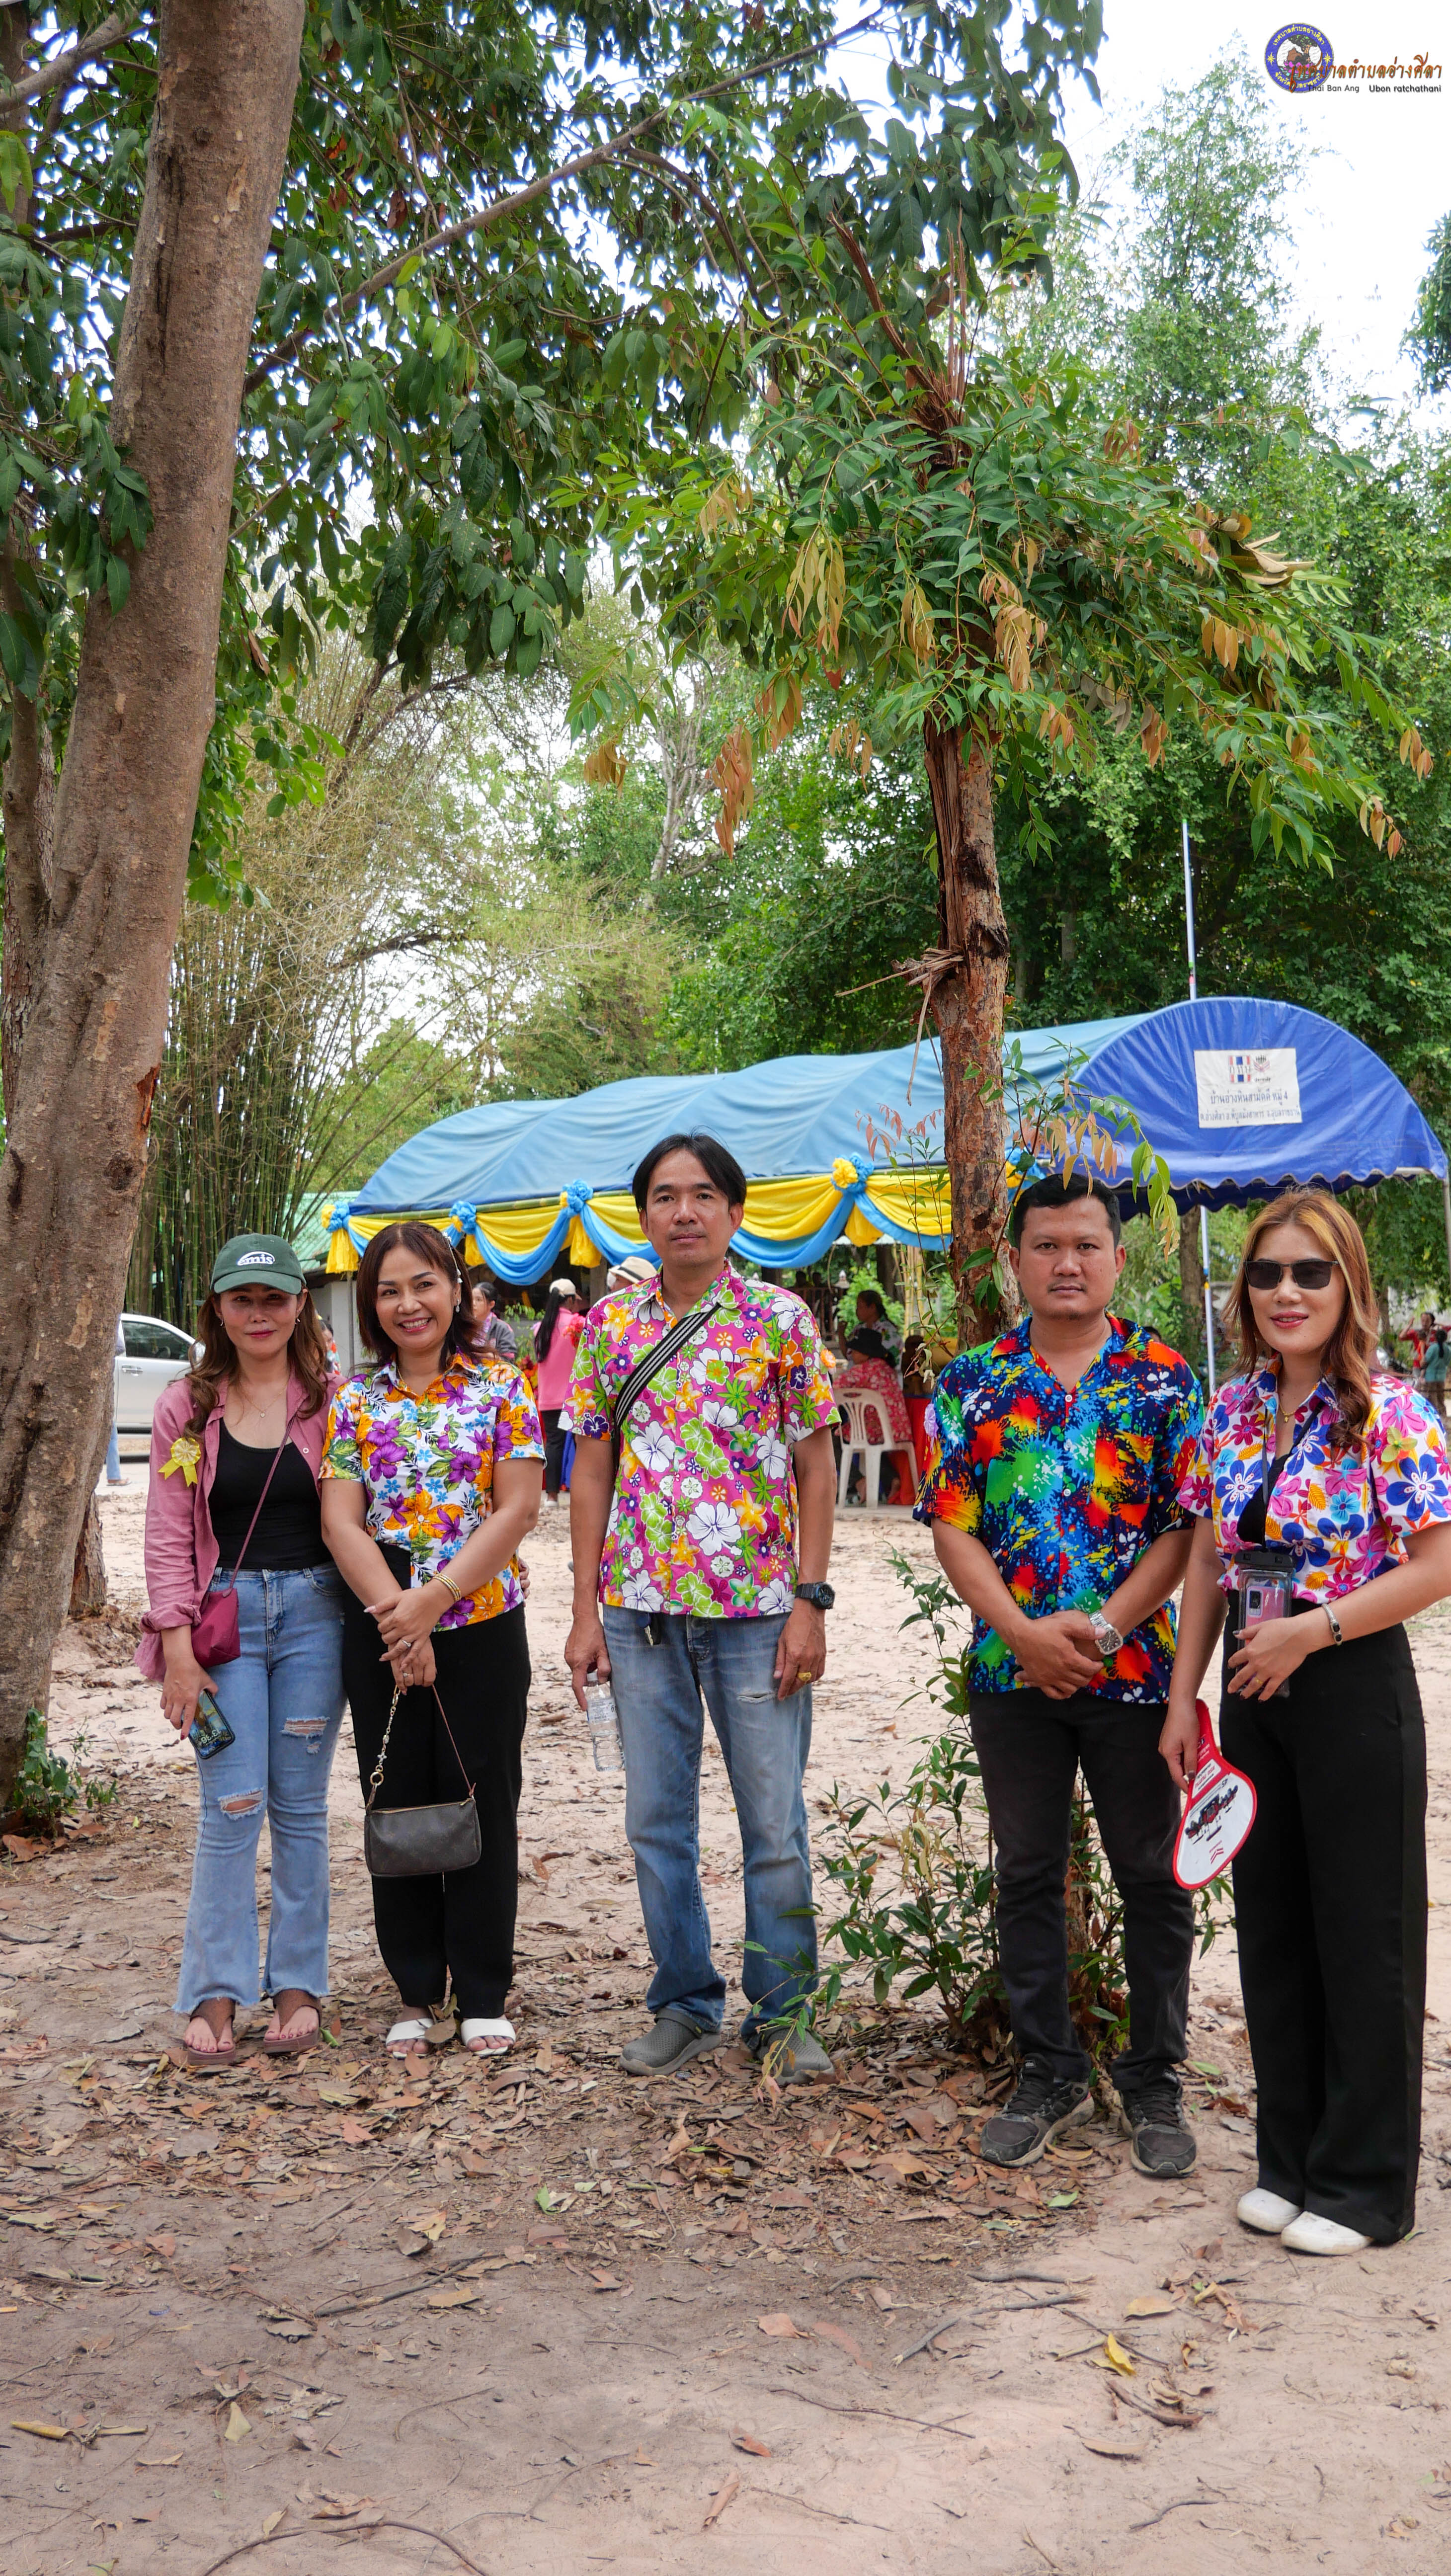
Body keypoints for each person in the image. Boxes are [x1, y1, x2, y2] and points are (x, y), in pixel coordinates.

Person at [1165, 1188, 1451, 2254]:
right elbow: (1207, 1555)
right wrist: (1184, 1695)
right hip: (1250, 1681)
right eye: (1267, 1273)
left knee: (1363, 1932)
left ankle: (1364, 2187)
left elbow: (1438, 1563)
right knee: (1275, 1926)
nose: (1286, 1292)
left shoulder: (1390, 1410)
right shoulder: (1232, 1409)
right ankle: (1288, 2164)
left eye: (1310, 1272)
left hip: (1346, 1678)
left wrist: (1314, 1630)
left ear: (1348, 1284)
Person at [915, 1174, 1203, 2177]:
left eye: (1086, 1245)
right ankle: (1049, 2070)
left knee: (1152, 1875)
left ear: (1118, 1258)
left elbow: (1183, 1528)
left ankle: (1154, 2074)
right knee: (1028, 1872)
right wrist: (1024, 1635)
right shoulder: (974, 1382)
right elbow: (952, 1526)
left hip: (1138, 1677)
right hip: (1012, 1676)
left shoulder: (1164, 1379)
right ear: (1015, 1260)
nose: (1066, 1263)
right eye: (1046, 1246)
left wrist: (1106, 1628)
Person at [565, 1131, 840, 2081]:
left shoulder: (780, 1318)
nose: (684, 1211)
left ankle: (784, 2011)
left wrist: (810, 1600)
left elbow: (816, 1464)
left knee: (774, 1821)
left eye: (703, 1194)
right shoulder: (610, 1326)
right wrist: (585, 1609)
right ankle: (684, 2000)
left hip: (760, 1612)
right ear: (643, 1214)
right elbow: (590, 1468)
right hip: (640, 1613)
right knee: (656, 1820)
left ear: (735, 1210)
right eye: (664, 1195)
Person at [321, 1224, 544, 2061]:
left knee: (483, 1795)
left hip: (482, 1625)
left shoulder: (501, 1385)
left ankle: (483, 1990)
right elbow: (341, 1521)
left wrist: (434, 1601)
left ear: (456, 1290)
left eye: (424, 1284)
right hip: (381, 1632)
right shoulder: (355, 1399)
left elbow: (517, 1507)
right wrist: (398, 1618)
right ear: (370, 1305)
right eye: (388, 1290)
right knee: (398, 1798)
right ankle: (416, 1989)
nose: (408, 1303)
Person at [137, 1235, 344, 2067]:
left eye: (274, 1298)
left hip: (316, 1618)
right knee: (231, 1806)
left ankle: (297, 1984)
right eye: (242, 1299)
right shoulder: (186, 1406)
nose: (259, 1314)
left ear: (300, 1304)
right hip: (221, 1623)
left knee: (300, 1807)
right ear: (218, 1310)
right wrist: (176, 1649)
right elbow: (165, 1534)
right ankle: (215, 1990)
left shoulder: (331, 1400)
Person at [836, 1321, 915, 1505]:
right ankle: (892, 1479)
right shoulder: (886, 1368)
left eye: (855, 1351)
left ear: (866, 1353)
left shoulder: (863, 1370)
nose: (852, 1355)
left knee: (833, 1439)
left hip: (875, 1430)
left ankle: (858, 1481)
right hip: (899, 1430)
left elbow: (836, 1387)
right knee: (871, 1447)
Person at [534, 1277, 584, 1501]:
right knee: (581, 1445)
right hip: (576, 1396)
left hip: (548, 1397)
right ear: (571, 1300)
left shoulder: (540, 1328)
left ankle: (552, 1496)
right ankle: (580, 1494)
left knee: (554, 1444)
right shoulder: (577, 1325)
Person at [475, 1275, 518, 1364]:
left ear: (491, 1304)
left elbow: (509, 1361)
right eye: (471, 1299)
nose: (473, 1304)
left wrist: (486, 1355)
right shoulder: (466, 1326)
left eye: (479, 1300)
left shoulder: (503, 1329)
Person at [1419, 1319, 1448, 1422]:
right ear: (1446, 1338)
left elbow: (1425, 1361)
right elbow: (1447, 1362)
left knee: (1433, 1398)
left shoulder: (1433, 1348)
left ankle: (1435, 1420)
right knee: (1441, 1398)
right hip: (1442, 1377)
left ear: (1435, 1337)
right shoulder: (1448, 1350)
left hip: (1430, 1377)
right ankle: (1444, 1418)